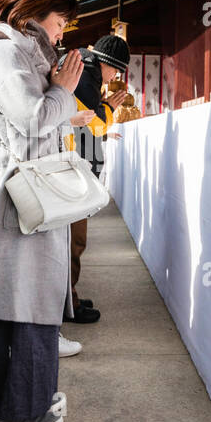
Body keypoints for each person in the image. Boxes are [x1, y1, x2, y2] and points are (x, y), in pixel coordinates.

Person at [0, 0, 81, 422]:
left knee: (27, 297)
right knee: (21, 300)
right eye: (59, 22)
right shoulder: (3, 53)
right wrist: (64, 90)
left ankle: (28, 398)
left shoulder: (19, 51)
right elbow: (34, 121)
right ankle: (19, 412)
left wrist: (57, 88)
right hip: (15, 200)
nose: (60, 34)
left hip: (26, 196)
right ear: (34, 11)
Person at [67, 33, 131, 325]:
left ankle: (70, 293)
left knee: (71, 238)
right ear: (107, 63)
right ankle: (69, 302)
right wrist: (109, 107)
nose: (114, 77)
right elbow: (95, 126)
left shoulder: (83, 66)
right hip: (69, 170)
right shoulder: (87, 78)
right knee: (74, 239)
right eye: (115, 70)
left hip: (68, 164)